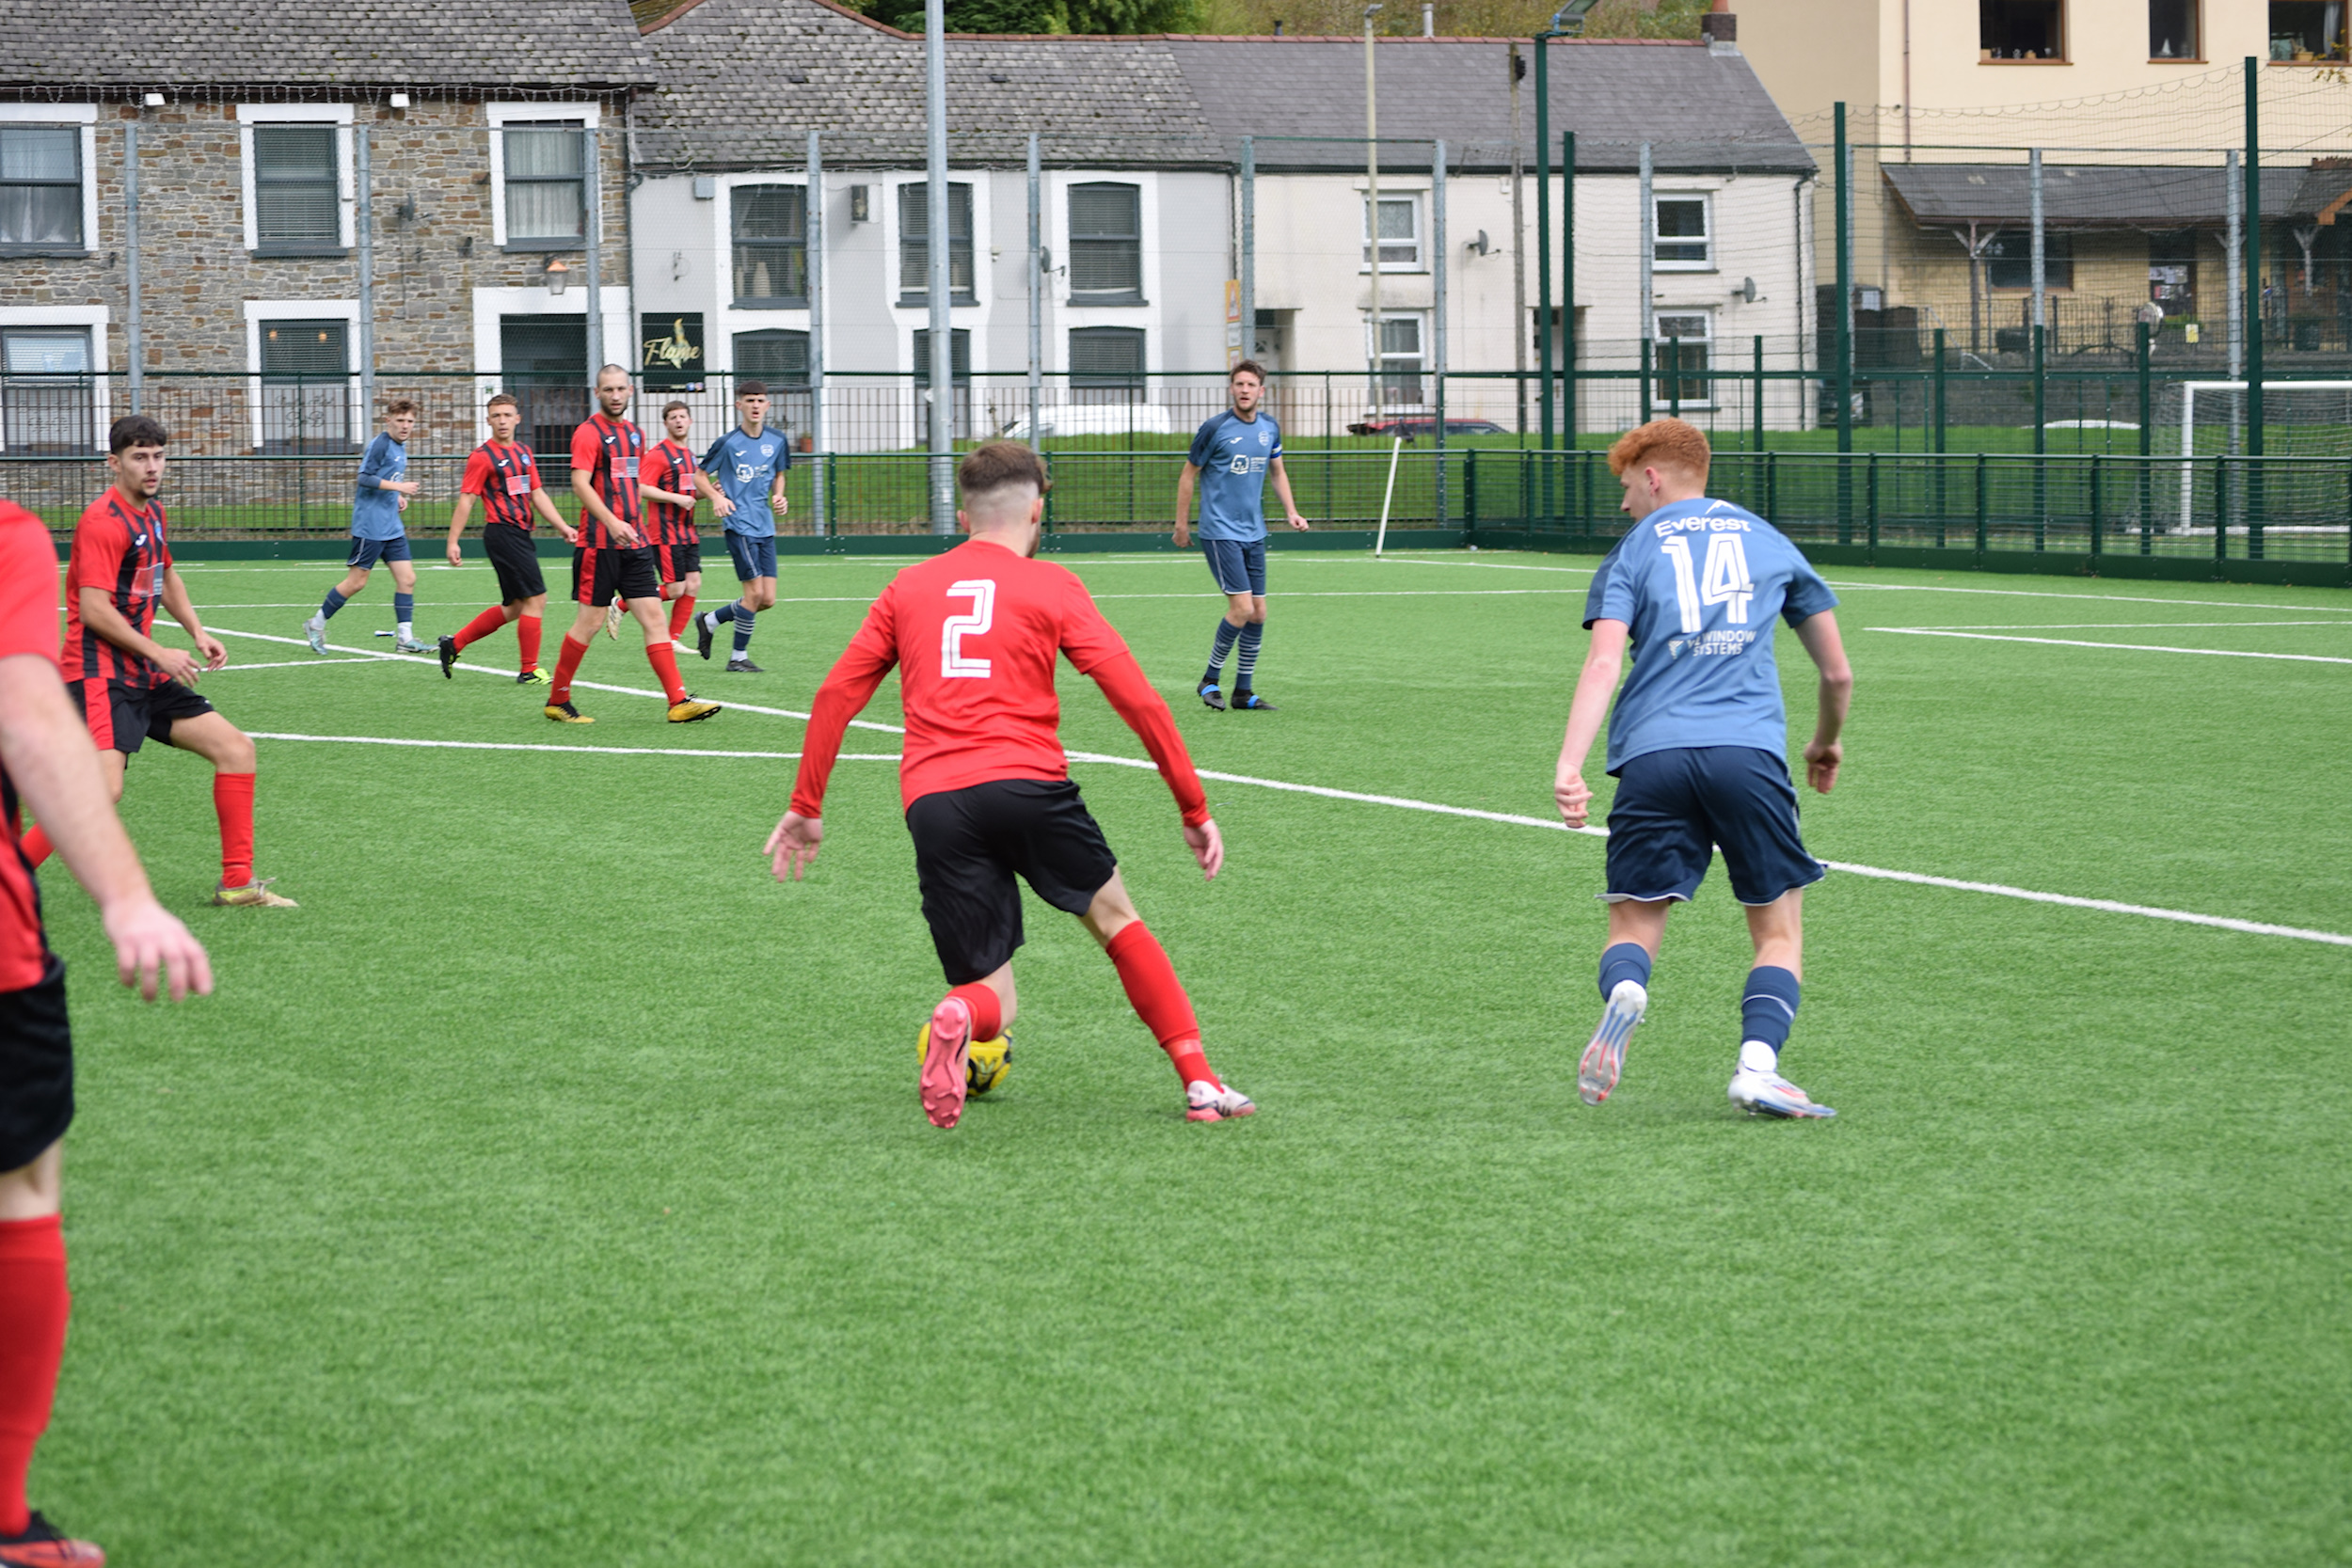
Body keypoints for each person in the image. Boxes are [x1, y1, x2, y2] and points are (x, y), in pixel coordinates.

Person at [768, 441, 1254, 1131]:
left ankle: (963, 1016)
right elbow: (1140, 701)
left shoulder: (907, 586)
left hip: (935, 803)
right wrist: (1193, 806)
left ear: (963, 517)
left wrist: (806, 806)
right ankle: (1202, 1082)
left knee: (992, 991)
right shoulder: (1052, 585)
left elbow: (833, 697)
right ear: (1037, 509)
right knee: (1116, 919)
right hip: (1028, 786)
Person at [0, 495, 213, 1568]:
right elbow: (27, 715)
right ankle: (2, 1516)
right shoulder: (11, 533)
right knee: (20, 1191)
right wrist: (127, 896)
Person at [1553, 419, 1852, 1119]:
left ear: (1652, 476)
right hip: (1746, 754)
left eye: (1627, 487)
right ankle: (1757, 1067)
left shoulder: (1632, 551)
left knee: (1633, 927)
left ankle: (1629, 992)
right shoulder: (1769, 540)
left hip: (1651, 757)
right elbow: (1836, 672)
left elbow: (1603, 662)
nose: (1624, 504)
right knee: (1777, 929)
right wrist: (1824, 742)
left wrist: (1570, 763)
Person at [19, 417, 297, 908]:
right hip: (99, 674)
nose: (152, 467)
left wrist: (197, 631)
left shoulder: (152, 514)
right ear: (114, 462)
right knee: (101, 790)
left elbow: (164, 576)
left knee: (236, 750)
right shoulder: (103, 522)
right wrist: (160, 652)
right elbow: (93, 609)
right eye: (139, 457)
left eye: (159, 456)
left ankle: (237, 883)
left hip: (142, 673)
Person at [542, 367, 720, 726]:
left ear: (631, 391)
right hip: (599, 545)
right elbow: (579, 483)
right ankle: (558, 700)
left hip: (635, 544)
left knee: (655, 618)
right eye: (609, 389)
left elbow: (632, 484)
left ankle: (678, 702)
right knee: (588, 624)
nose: (616, 395)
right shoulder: (588, 433)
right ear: (598, 392)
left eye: (621, 388)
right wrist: (611, 520)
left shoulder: (636, 435)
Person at [1172, 360, 1310, 712]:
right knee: (1242, 608)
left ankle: (1243, 692)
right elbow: (1188, 475)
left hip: (1254, 531)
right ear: (1231, 389)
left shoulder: (1269, 427)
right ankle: (1209, 680)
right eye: (1239, 384)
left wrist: (1291, 512)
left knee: (1259, 613)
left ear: (1261, 391)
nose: (1244, 390)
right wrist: (1182, 525)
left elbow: (1277, 472)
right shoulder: (1215, 428)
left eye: (1251, 385)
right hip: (1220, 532)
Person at [438, 392, 574, 687]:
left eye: (507, 415)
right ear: (488, 420)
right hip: (502, 533)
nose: (502, 420)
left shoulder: (524, 452)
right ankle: (529, 670)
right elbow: (466, 501)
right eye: (496, 415)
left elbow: (537, 494)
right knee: (537, 599)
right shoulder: (482, 457)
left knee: (516, 607)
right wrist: (453, 541)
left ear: (517, 418)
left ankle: (454, 644)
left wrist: (563, 526)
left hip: (520, 535)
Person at [304, 398, 428, 657]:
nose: (405, 426)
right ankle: (316, 625)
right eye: (400, 420)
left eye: (410, 421)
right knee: (356, 583)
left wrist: (398, 497)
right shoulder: (381, 444)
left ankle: (405, 638)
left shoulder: (400, 445)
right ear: (388, 420)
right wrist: (399, 488)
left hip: (392, 526)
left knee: (408, 579)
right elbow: (364, 477)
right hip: (370, 527)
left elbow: (388, 477)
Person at [692, 380, 789, 674]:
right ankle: (737, 657)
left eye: (760, 400)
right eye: (750, 401)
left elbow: (779, 474)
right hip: (739, 524)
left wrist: (779, 494)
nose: (756, 405)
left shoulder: (777, 440)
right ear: (739, 405)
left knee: (767, 599)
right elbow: (699, 476)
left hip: (765, 526)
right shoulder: (728, 443)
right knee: (754, 595)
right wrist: (715, 496)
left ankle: (710, 621)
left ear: (767, 405)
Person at [640, 400, 707, 647]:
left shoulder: (690, 456)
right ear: (666, 423)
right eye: (673, 417)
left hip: (687, 531)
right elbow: (642, 487)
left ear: (690, 421)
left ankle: (672, 639)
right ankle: (624, 602)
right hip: (665, 532)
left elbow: (689, 493)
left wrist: (709, 492)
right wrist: (676, 498)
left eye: (682, 416)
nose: (679, 421)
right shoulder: (658, 454)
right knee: (676, 589)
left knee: (694, 584)